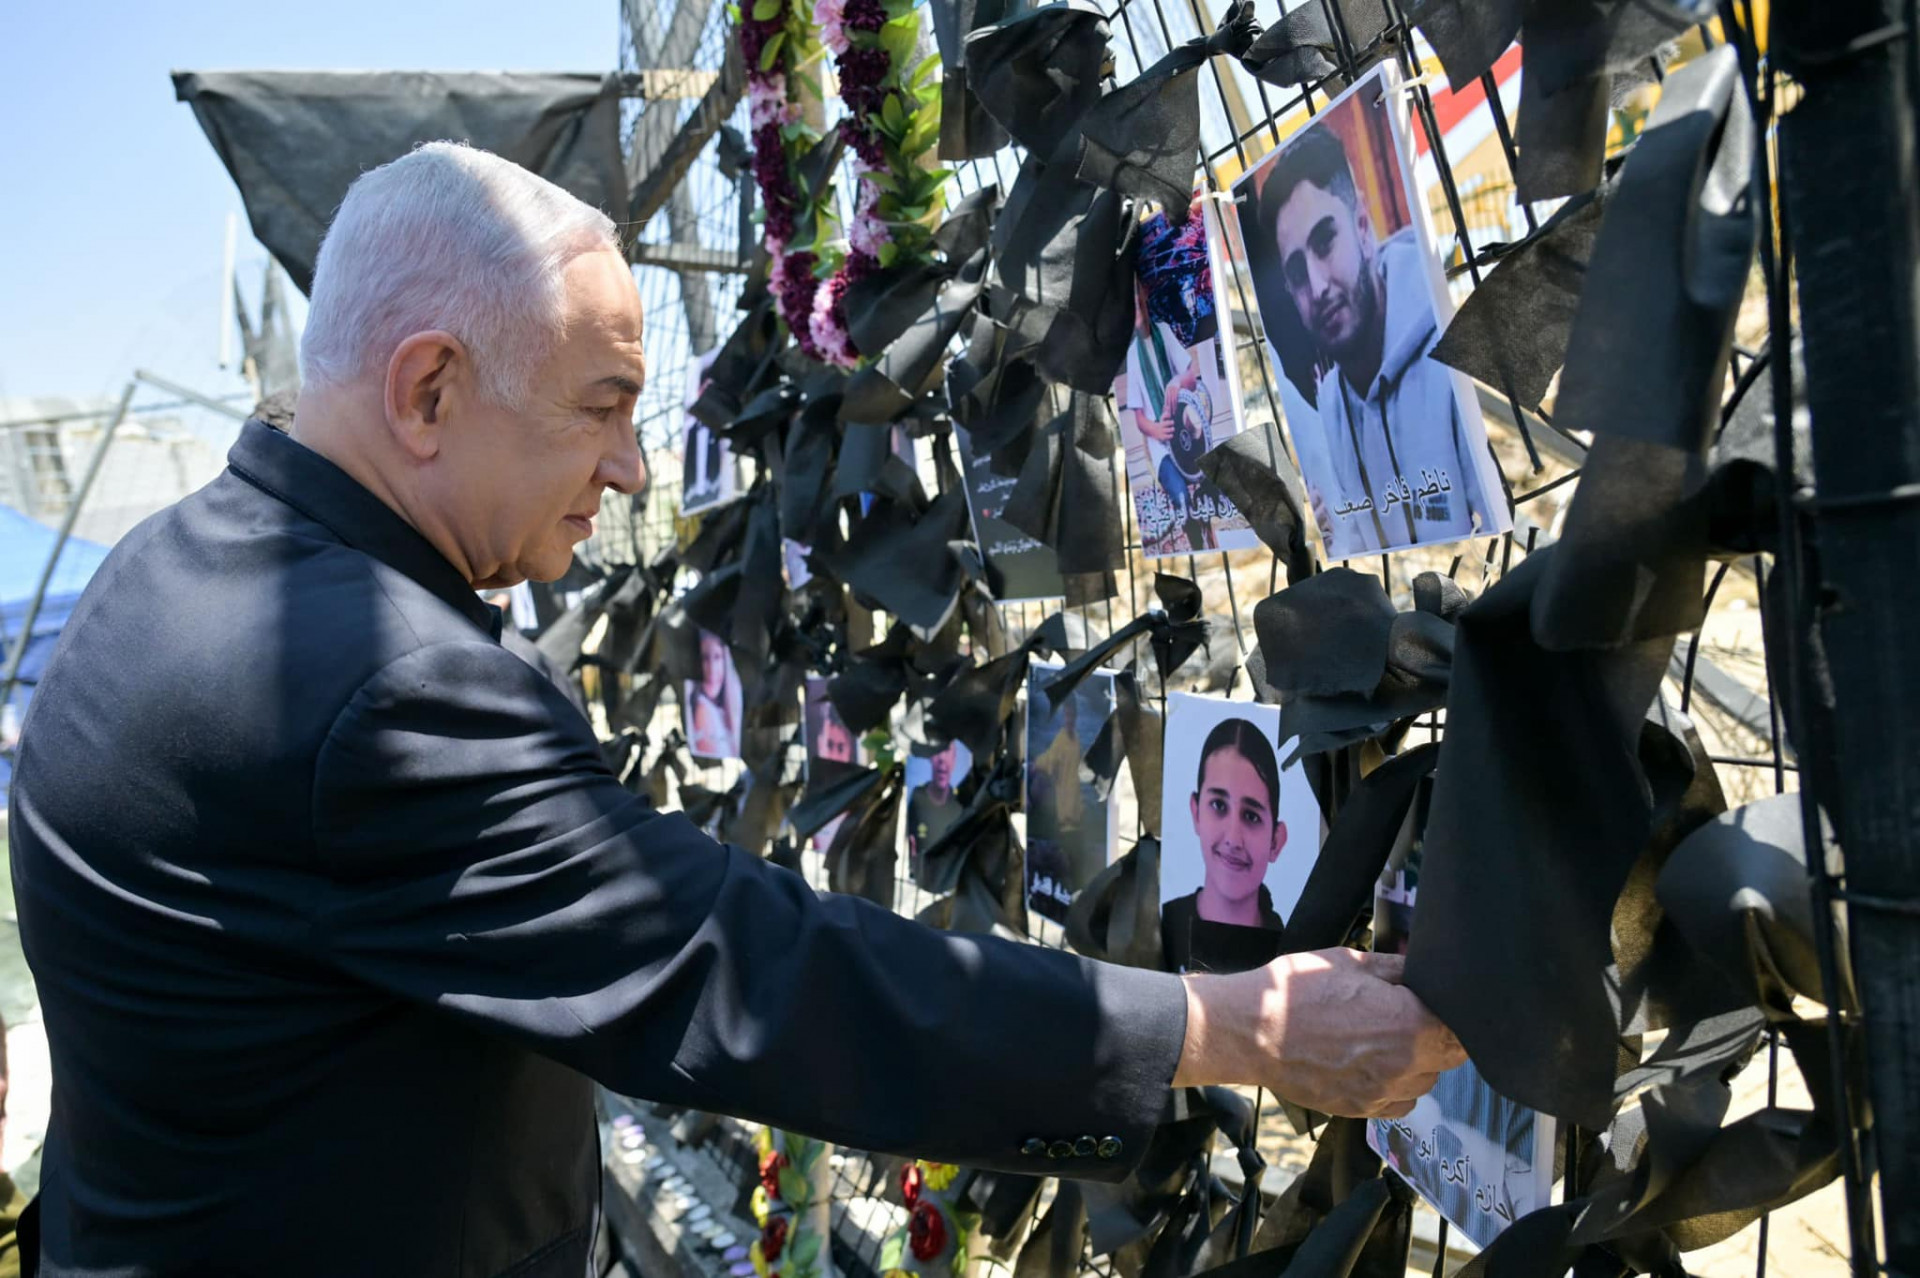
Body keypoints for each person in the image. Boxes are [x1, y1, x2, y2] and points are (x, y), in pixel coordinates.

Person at [9, 142, 1463, 1277]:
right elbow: (751, 970)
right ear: (430, 390)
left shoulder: (181, 570)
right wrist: (1225, 1023)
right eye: (600, 403)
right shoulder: (365, 683)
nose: (633, 467)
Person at [1257, 125, 1491, 554]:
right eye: (1297, 273)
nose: (1317, 287)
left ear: (1362, 225)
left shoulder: (1448, 346)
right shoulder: (1331, 404)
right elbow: (1363, 545)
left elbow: (1500, 526)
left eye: (1325, 242)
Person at [1163, 718, 1289, 971]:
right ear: (1196, 812)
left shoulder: (1293, 950)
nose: (1233, 838)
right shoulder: (1164, 925)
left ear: (1276, 841)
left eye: (1251, 816)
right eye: (1219, 805)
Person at [684, 627, 743, 758]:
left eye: (717, 657)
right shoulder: (704, 711)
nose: (712, 669)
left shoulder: (724, 708)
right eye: (705, 658)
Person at [906, 739, 964, 863]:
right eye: (938, 751)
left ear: (954, 759)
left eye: (947, 751)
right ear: (930, 757)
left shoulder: (961, 806)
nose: (942, 758)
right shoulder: (916, 799)